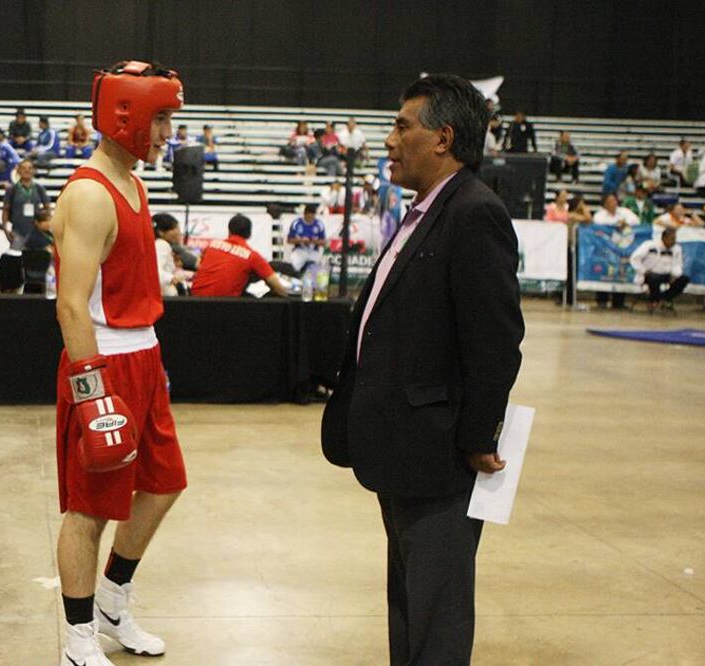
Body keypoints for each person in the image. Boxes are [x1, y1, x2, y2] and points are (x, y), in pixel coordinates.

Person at [322, 74, 524, 665]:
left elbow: (496, 341)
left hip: (443, 460)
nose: (389, 139)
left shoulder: (474, 214)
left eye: (401, 125)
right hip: (405, 452)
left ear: (443, 137)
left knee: (436, 617)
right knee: (411, 607)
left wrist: (478, 436)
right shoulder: (425, 213)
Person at [50, 61, 188, 666]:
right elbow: (70, 305)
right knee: (89, 508)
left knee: (161, 487)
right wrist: (93, 393)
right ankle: (78, 639)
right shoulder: (88, 193)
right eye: (159, 118)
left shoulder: (134, 181)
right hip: (101, 359)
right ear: (125, 115)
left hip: (143, 355)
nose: (166, 133)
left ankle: (111, 600)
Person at [191, 214, 289, 297]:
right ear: (249, 234)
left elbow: (199, 266)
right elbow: (279, 288)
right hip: (224, 305)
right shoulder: (252, 256)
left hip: (194, 300)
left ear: (229, 231)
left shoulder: (211, 245)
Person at [592, 193, 639, 309]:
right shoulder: (600, 215)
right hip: (604, 249)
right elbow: (598, 224)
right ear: (605, 204)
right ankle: (602, 301)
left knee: (621, 272)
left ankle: (618, 302)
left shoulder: (624, 212)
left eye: (614, 200)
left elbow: (636, 221)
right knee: (603, 272)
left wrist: (625, 223)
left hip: (621, 248)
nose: (613, 203)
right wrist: (616, 224)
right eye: (610, 201)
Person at [630, 227, 689, 312]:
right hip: (650, 274)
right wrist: (643, 270)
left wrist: (675, 274)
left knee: (684, 279)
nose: (673, 242)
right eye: (671, 239)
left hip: (667, 274)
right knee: (655, 278)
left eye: (674, 239)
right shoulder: (649, 245)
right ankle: (654, 299)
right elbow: (634, 258)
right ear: (663, 238)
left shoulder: (677, 248)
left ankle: (664, 297)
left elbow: (678, 264)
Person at [2, 159, 52, 250]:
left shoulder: (39, 188)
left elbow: (47, 207)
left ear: (34, 171)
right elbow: (5, 210)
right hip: (18, 231)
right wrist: (5, 230)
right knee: (18, 261)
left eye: (30, 168)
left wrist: (46, 225)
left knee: (36, 260)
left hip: (36, 232)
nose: (27, 170)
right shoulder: (12, 189)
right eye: (24, 168)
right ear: (18, 170)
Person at [286, 203, 326, 272]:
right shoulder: (296, 223)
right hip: (300, 250)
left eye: (313, 216)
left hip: (314, 251)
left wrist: (314, 241)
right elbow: (289, 240)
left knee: (319, 269)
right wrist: (301, 240)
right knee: (293, 266)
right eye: (309, 217)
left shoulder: (319, 224)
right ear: (305, 214)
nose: (311, 219)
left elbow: (324, 242)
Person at [153, 213, 183, 297]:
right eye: (175, 229)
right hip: (166, 296)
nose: (179, 232)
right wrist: (172, 278)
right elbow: (155, 271)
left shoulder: (155, 245)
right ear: (161, 232)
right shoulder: (162, 244)